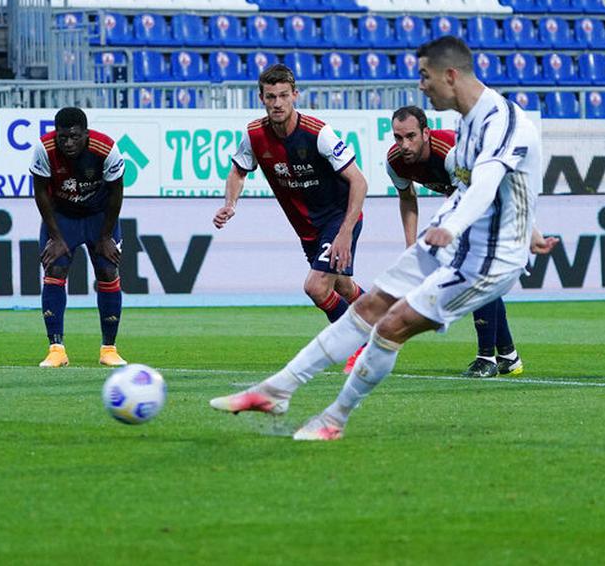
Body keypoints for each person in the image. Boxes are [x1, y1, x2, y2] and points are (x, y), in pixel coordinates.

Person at [209, 36, 558, 441]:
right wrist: (524, 226)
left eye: (425, 77)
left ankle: (334, 419)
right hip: (446, 240)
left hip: (487, 257)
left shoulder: (502, 121)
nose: (421, 86)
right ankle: (276, 390)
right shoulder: (468, 122)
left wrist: (458, 226)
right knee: (369, 305)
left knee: (391, 324)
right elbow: (496, 186)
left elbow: (487, 183)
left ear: (450, 75)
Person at [214, 63, 367, 326]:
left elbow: (359, 181)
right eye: (271, 97)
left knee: (317, 288)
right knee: (344, 287)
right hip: (308, 229)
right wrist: (230, 204)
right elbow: (238, 172)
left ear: (295, 95)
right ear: (261, 98)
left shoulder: (318, 133)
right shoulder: (254, 135)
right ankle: (384, 324)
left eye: (284, 95)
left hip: (338, 219)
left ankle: (358, 344)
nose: (277, 103)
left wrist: (345, 232)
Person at [387, 105, 524, 378]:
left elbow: (469, 199)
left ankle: (487, 359)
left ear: (426, 133)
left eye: (411, 136)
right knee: (480, 277)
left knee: (475, 274)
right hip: (466, 199)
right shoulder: (395, 162)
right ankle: (508, 356)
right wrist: (410, 244)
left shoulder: (451, 153)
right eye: (398, 138)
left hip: (498, 196)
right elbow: (407, 199)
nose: (404, 144)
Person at [30, 107, 127, 368]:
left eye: (74, 136)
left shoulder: (106, 149)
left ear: (86, 133)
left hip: (99, 216)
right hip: (63, 216)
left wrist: (106, 236)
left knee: (108, 272)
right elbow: (40, 193)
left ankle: (109, 349)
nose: (68, 143)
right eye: (63, 137)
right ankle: (56, 349)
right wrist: (55, 236)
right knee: (55, 267)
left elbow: (117, 192)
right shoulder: (44, 148)